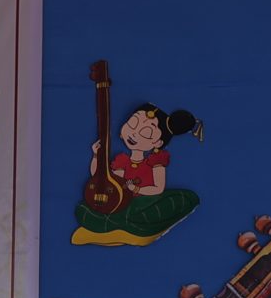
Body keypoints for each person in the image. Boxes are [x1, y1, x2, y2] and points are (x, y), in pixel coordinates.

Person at [72, 103, 203, 248]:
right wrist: (97, 156)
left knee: (185, 198)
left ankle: (112, 231)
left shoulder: (156, 162)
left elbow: (158, 189)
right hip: (122, 206)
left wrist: (136, 189)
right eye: (132, 123)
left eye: (146, 132)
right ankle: (128, 231)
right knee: (82, 209)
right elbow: (103, 178)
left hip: (145, 205)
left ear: (158, 142)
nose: (134, 133)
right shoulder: (122, 161)